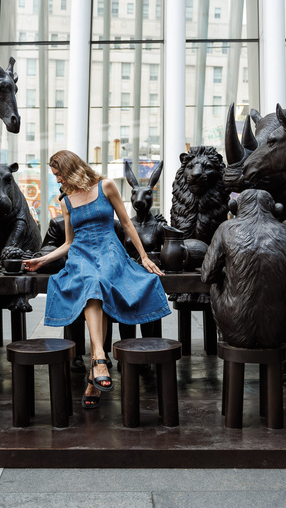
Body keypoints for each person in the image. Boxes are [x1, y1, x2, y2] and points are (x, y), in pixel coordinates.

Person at [24, 150, 171, 409]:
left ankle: (95, 371)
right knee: (92, 281)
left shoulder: (106, 186)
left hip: (109, 250)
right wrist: (42, 260)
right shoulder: (66, 201)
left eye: (59, 175)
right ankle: (99, 359)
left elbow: (126, 223)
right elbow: (69, 242)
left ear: (71, 170)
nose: (57, 181)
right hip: (81, 254)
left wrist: (144, 257)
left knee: (99, 280)